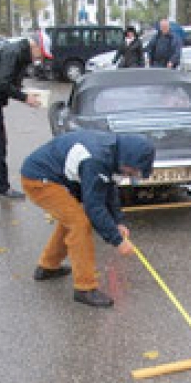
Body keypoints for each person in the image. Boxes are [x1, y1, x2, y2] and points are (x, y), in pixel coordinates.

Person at [20, 131, 155, 308]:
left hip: (57, 179)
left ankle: (48, 267)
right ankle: (85, 288)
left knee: (70, 220)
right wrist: (117, 240)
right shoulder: (96, 159)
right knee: (80, 223)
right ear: (128, 159)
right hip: (39, 180)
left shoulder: (115, 156)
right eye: (134, 170)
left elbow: (109, 188)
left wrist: (118, 222)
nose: (132, 175)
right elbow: (94, 206)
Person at [0, 38, 42, 198]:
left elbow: (9, 81)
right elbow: (2, 83)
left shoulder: (20, 54)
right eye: (39, 56)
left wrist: (25, 91)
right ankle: (3, 187)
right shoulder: (13, 53)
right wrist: (25, 98)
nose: (38, 60)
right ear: (35, 47)